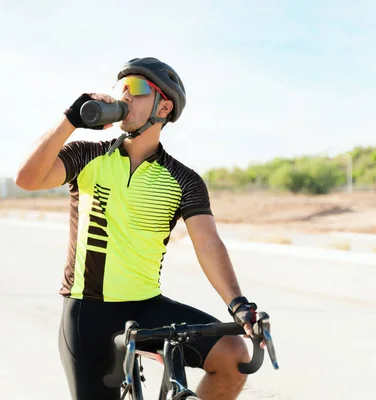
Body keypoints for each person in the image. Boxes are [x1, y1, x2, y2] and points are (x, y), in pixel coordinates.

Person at [15, 57, 264, 400]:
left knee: (234, 357)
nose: (125, 97)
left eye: (137, 89)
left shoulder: (183, 180)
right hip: (88, 311)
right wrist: (70, 120)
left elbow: (207, 244)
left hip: (147, 306)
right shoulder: (88, 156)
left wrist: (238, 304)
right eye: (121, 89)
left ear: (164, 105)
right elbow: (26, 179)